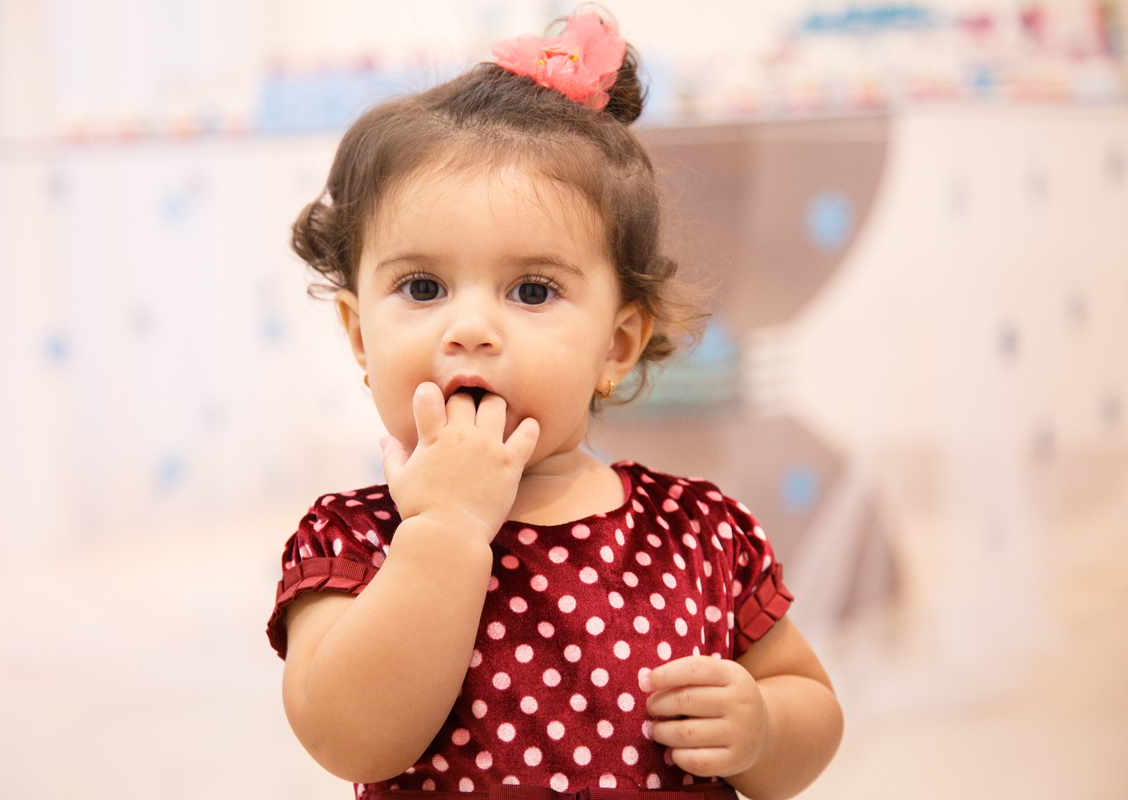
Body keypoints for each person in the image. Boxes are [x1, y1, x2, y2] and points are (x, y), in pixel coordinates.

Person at [266, 11, 843, 800]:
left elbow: (810, 703)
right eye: (423, 288)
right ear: (360, 335)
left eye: (532, 290)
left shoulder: (696, 532)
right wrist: (445, 531)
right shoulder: (355, 540)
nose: (469, 328)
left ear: (616, 346)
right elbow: (351, 739)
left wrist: (765, 727)